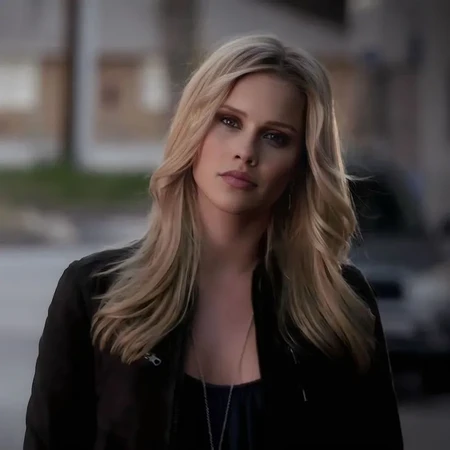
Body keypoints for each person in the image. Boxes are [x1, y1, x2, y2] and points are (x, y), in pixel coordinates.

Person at [24, 34, 403, 450]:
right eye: (229, 121)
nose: (246, 151)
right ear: (194, 126)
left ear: (302, 164)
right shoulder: (94, 294)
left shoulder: (339, 305)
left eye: (275, 137)